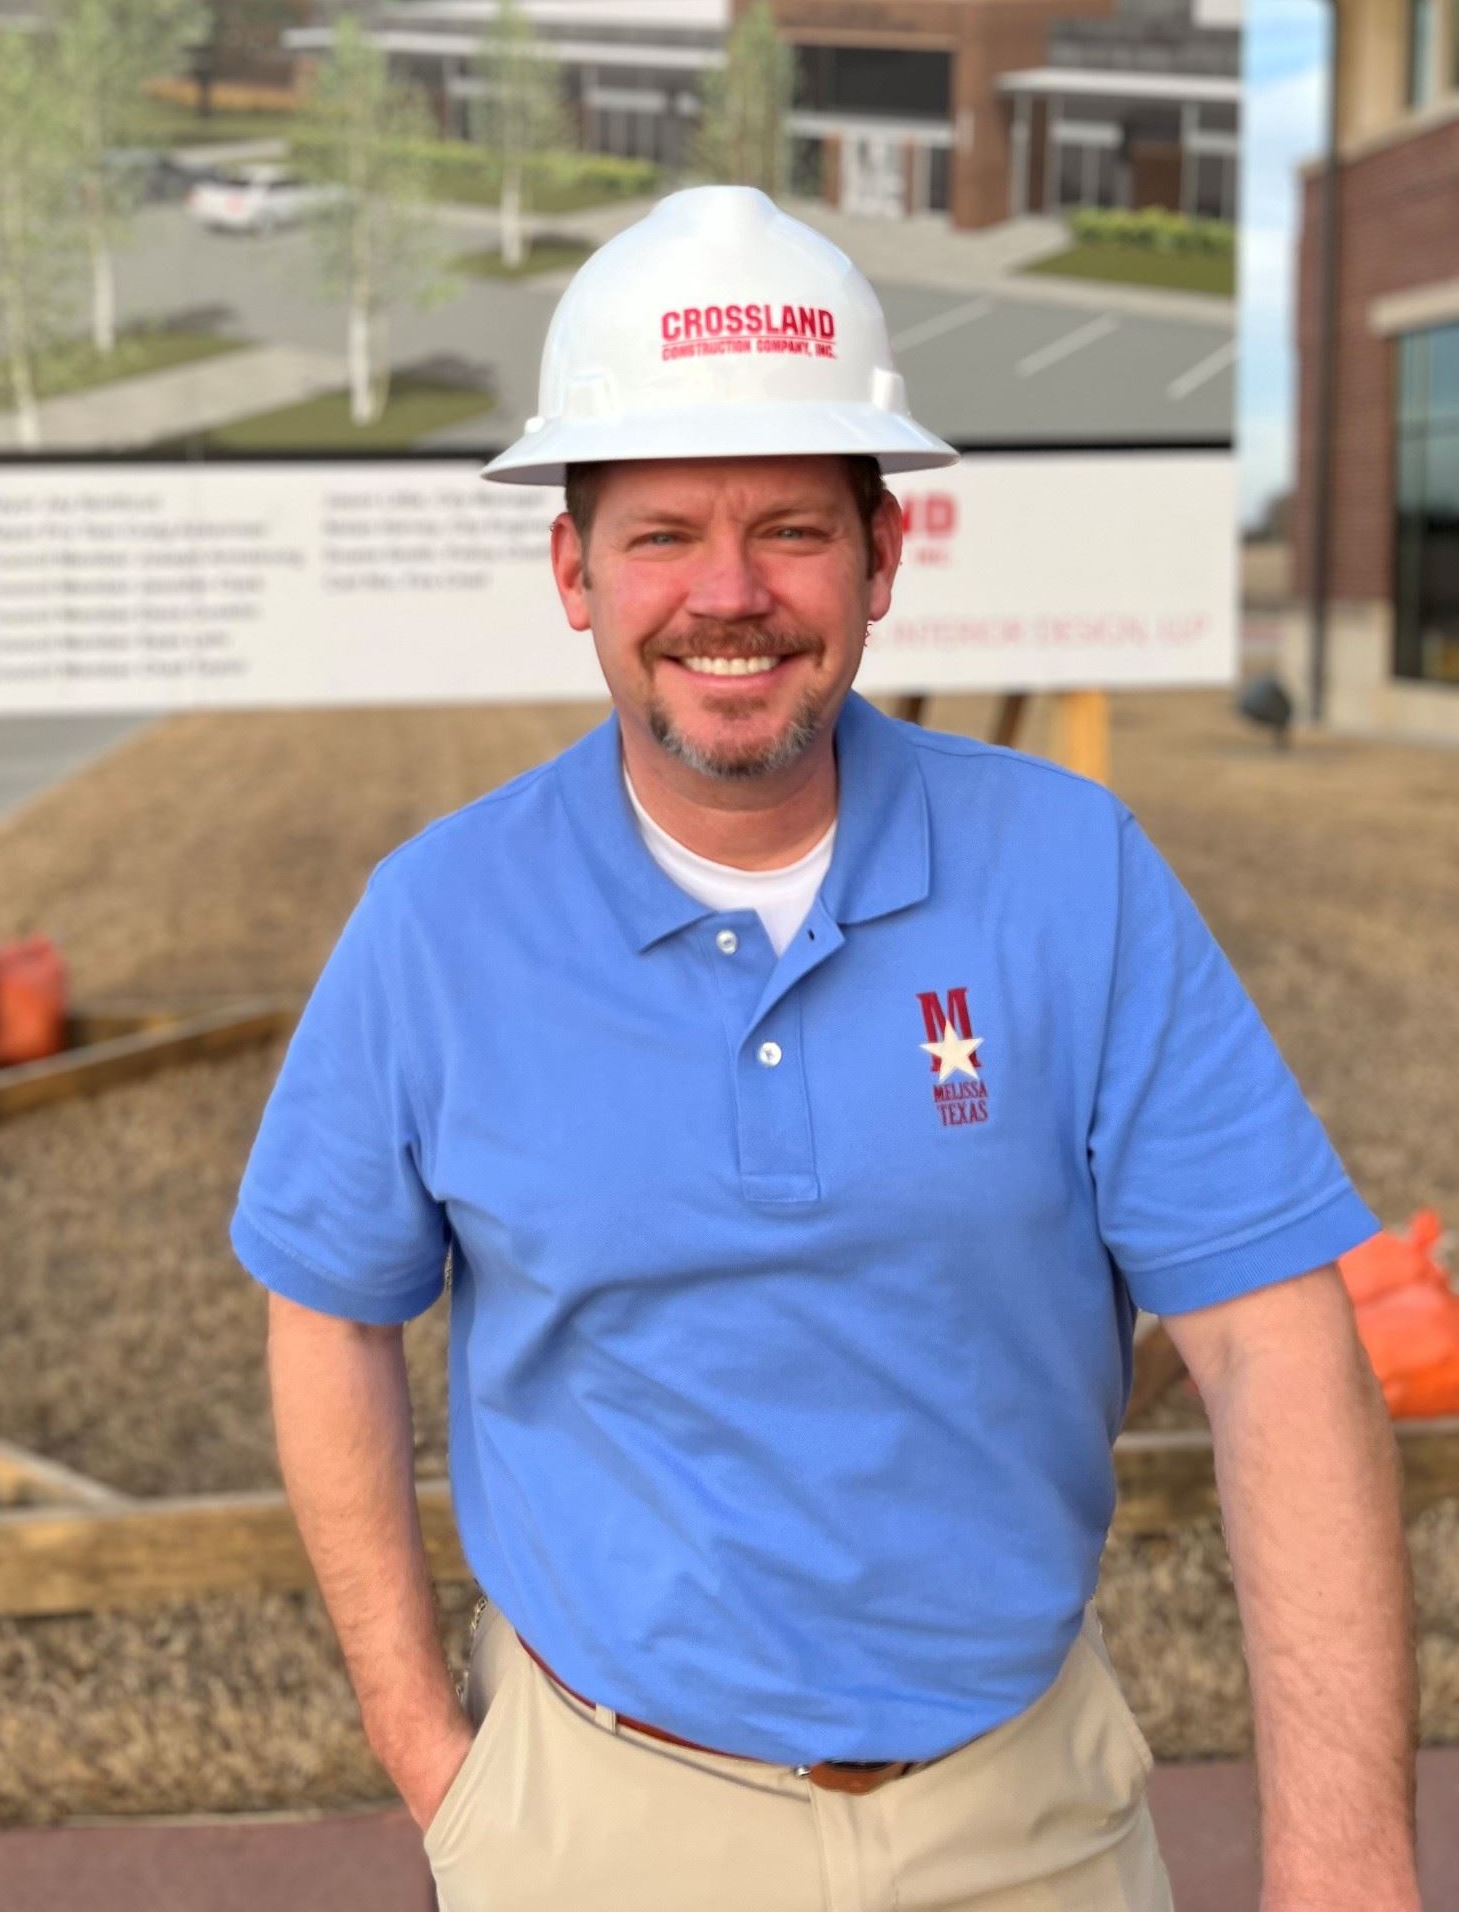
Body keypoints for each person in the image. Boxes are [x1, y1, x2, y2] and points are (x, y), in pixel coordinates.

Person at [230, 185, 1418, 1911]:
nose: (730, 596)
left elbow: (1275, 1347)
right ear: (572, 569)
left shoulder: (1070, 875)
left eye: (791, 527)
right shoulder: (436, 923)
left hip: (1031, 1828)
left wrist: (1344, 1866)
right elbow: (326, 1314)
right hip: (598, 1830)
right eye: (659, 537)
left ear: (886, 553)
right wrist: (440, 1767)